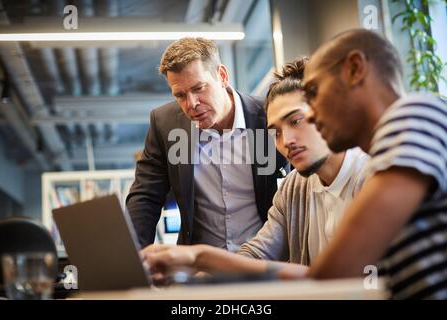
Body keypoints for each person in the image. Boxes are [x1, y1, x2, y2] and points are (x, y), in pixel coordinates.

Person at [140, 58, 369, 281]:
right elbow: (257, 254)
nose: (286, 141)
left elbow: (344, 277)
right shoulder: (294, 187)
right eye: (276, 132)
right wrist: (200, 275)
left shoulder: (374, 178)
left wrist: (200, 257)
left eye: (296, 121)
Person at [301, 29, 447, 299]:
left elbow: (335, 271)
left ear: (355, 68)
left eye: (313, 91)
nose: (309, 115)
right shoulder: (382, 160)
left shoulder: (414, 116)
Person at [126, 37, 287, 251]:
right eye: (180, 95)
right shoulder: (167, 126)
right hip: (200, 268)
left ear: (222, 76)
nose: (191, 104)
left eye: (199, 88)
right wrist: (134, 261)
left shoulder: (267, 118)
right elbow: (145, 197)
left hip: (266, 261)